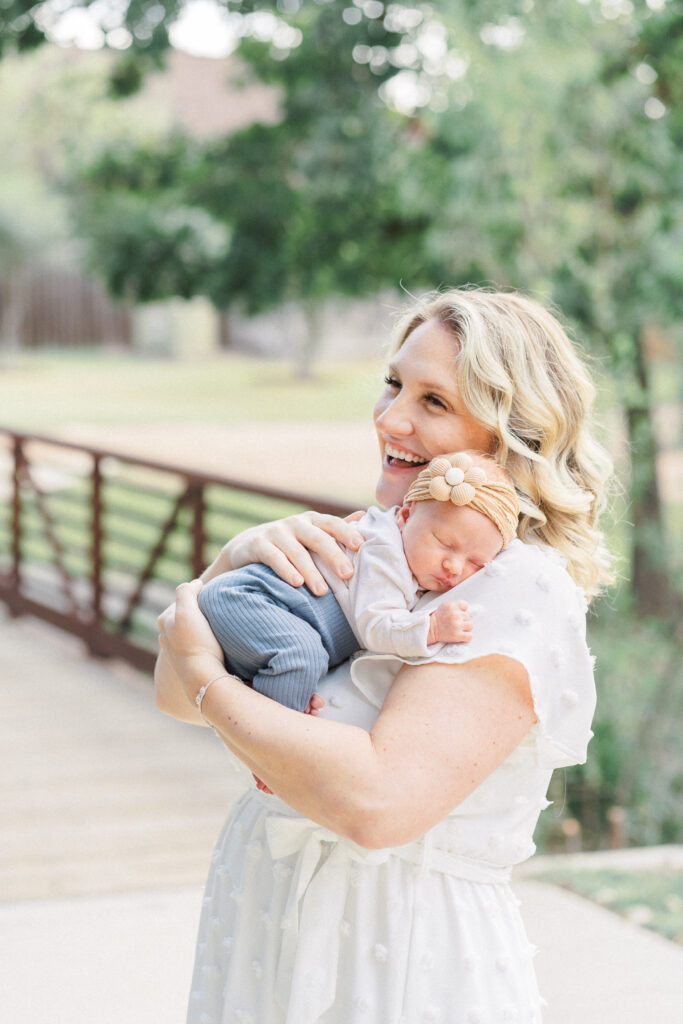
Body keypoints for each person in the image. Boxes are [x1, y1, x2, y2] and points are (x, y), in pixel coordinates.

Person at [155, 288, 613, 1024]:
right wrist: (224, 574)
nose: (390, 417)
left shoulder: (516, 586)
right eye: (395, 384)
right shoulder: (378, 541)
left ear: (509, 437)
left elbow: (377, 805)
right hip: (265, 911)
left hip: (398, 944)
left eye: (435, 403)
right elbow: (169, 700)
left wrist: (212, 683)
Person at [197, 450, 519, 715]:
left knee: (298, 671)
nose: (453, 565)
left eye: (476, 563)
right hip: (248, 600)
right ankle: (266, 747)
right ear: (405, 516)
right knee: (301, 655)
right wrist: (430, 628)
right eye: (443, 542)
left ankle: (275, 700)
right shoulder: (385, 550)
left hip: (258, 618)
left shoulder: (414, 557)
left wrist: (292, 689)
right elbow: (376, 628)